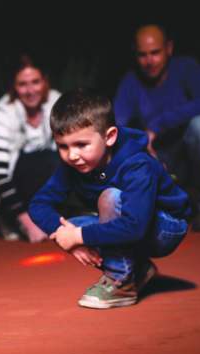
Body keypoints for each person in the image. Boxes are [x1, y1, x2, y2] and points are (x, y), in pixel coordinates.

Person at [29, 88, 190, 309]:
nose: (72, 155)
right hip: (133, 225)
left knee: (109, 198)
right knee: (68, 226)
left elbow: (135, 226)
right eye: (63, 146)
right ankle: (140, 270)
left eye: (81, 145)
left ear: (110, 136)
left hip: (165, 228)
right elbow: (39, 204)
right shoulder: (74, 164)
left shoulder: (137, 164)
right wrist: (67, 238)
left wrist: (79, 236)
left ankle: (120, 282)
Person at [114, 24, 200, 231]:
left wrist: (159, 124)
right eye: (143, 55)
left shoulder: (187, 68)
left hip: (190, 154)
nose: (149, 61)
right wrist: (139, 146)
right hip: (157, 157)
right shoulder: (131, 80)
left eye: (155, 53)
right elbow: (117, 124)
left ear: (169, 48)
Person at [0, 54, 61, 242]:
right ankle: (10, 219)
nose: (30, 90)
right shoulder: (2, 113)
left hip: (31, 177)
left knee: (59, 158)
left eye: (35, 82)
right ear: (13, 87)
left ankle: (49, 215)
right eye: (22, 84)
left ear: (45, 82)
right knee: (45, 160)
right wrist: (27, 222)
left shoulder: (55, 101)